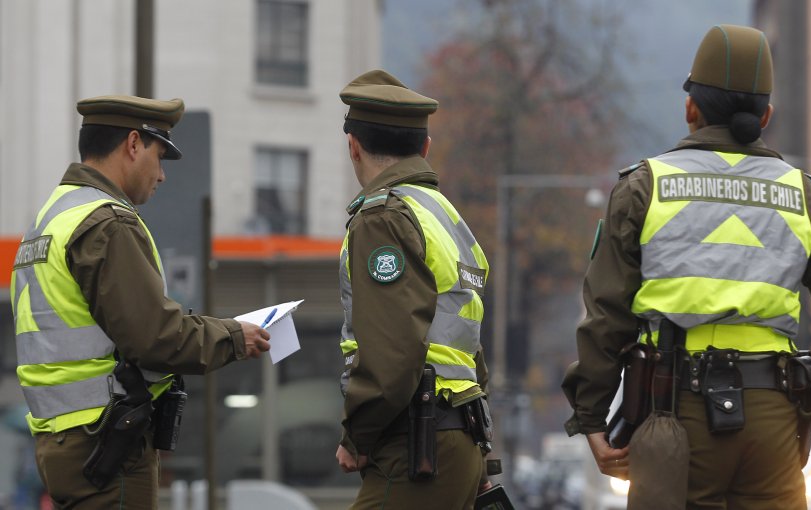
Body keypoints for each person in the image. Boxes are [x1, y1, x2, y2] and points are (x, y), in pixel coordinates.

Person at [561, 24, 811, 509]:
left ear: (690, 108)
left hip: (675, 413)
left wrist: (590, 416)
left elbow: (607, 315)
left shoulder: (644, 188)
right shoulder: (804, 197)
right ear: (766, 116)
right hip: (774, 422)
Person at [10, 95, 271, 509]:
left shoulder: (49, 220)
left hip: (62, 441)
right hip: (107, 445)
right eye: (159, 155)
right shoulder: (107, 223)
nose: (162, 175)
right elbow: (154, 338)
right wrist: (233, 336)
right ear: (133, 144)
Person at [333, 70, 492, 509]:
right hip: (458, 437)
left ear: (353, 146)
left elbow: (393, 351)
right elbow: (468, 348)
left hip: (416, 444)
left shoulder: (382, 218)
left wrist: (357, 435)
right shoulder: (445, 216)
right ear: (424, 148)